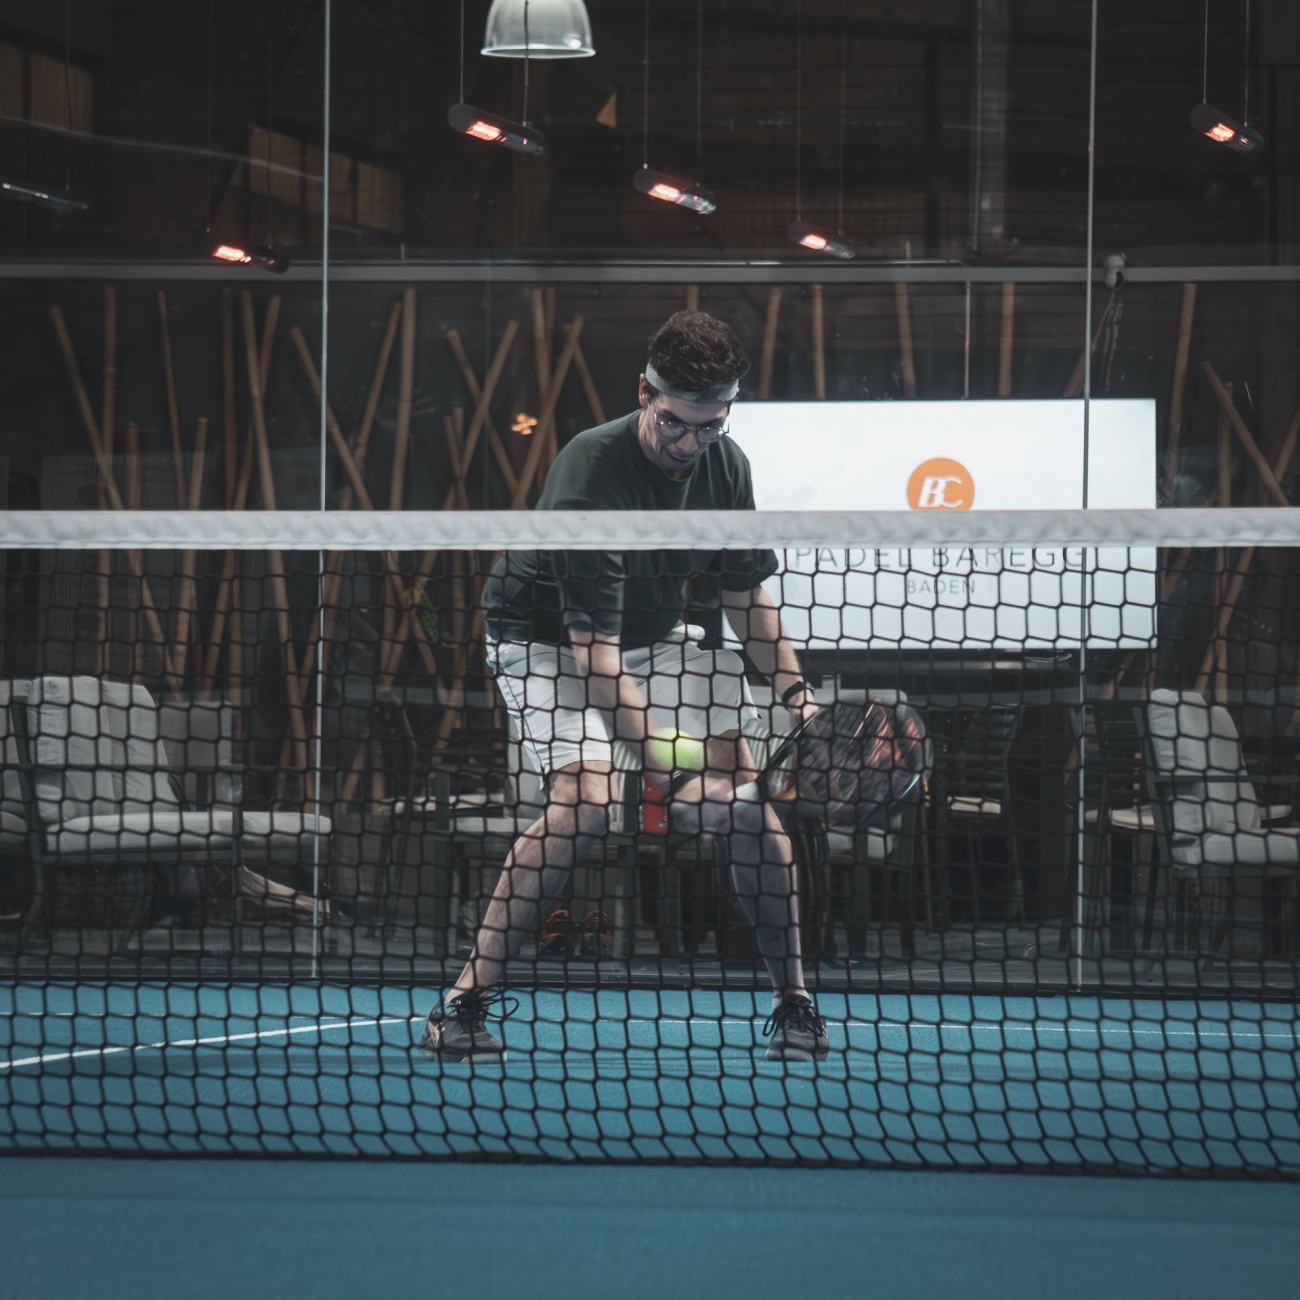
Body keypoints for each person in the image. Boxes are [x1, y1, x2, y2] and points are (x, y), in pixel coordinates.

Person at [418, 311, 829, 1064]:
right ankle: (464, 1001)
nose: (689, 444)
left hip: (652, 638)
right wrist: (669, 771)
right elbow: (596, 662)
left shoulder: (726, 466)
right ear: (644, 392)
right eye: (675, 423)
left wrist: (797, 697)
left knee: (748, 806)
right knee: (585, 806)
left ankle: (794, 1002)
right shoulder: (591, 476)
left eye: (710, 426)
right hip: (543, 639)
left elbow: (743, 596)